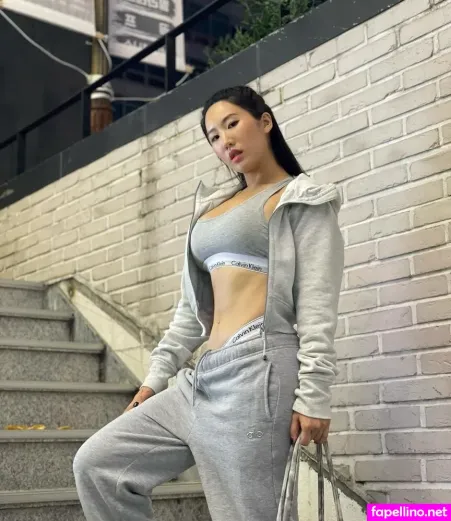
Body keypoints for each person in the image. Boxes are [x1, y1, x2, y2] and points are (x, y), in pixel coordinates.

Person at [73, 85, 344, 521]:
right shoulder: (213, 207)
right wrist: (155, 378)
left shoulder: (301, 198)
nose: (225, 141)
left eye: (232, 124)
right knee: (99, 465)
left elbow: (317, 305)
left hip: (257, 374)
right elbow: (190, 311)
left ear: (265, 121)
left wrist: (313, 396)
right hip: (198, 379)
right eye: (214, 136)